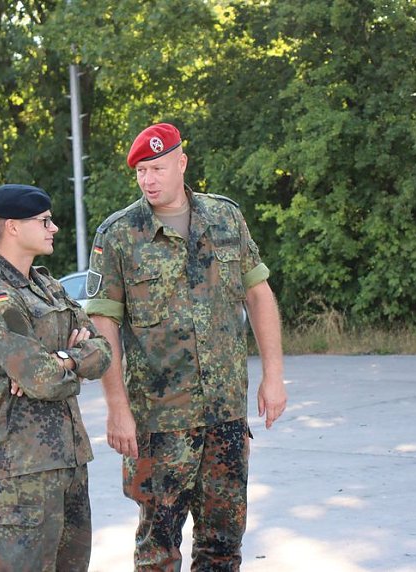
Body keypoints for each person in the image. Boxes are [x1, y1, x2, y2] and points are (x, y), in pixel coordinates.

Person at [84, 123, 288, 571]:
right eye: (141, 171)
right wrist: (117, 407)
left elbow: (258, 294)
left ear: (181, 163)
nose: (148, 179)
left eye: (157, 168)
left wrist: (274, 376)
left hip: (226, 417)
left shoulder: (226, 218)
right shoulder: (119, 234)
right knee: (157, 550)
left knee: (223, 547)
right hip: (159, 421)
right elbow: (104, 324)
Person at [0, 183, 112, 572]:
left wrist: (62, 359)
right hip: (22, 469)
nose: (54, 228)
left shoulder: (48, 286)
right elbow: (41, 379)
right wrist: (67, 360)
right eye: (44, 221)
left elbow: (103, 353)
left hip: (69, 458)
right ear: (12, 227)